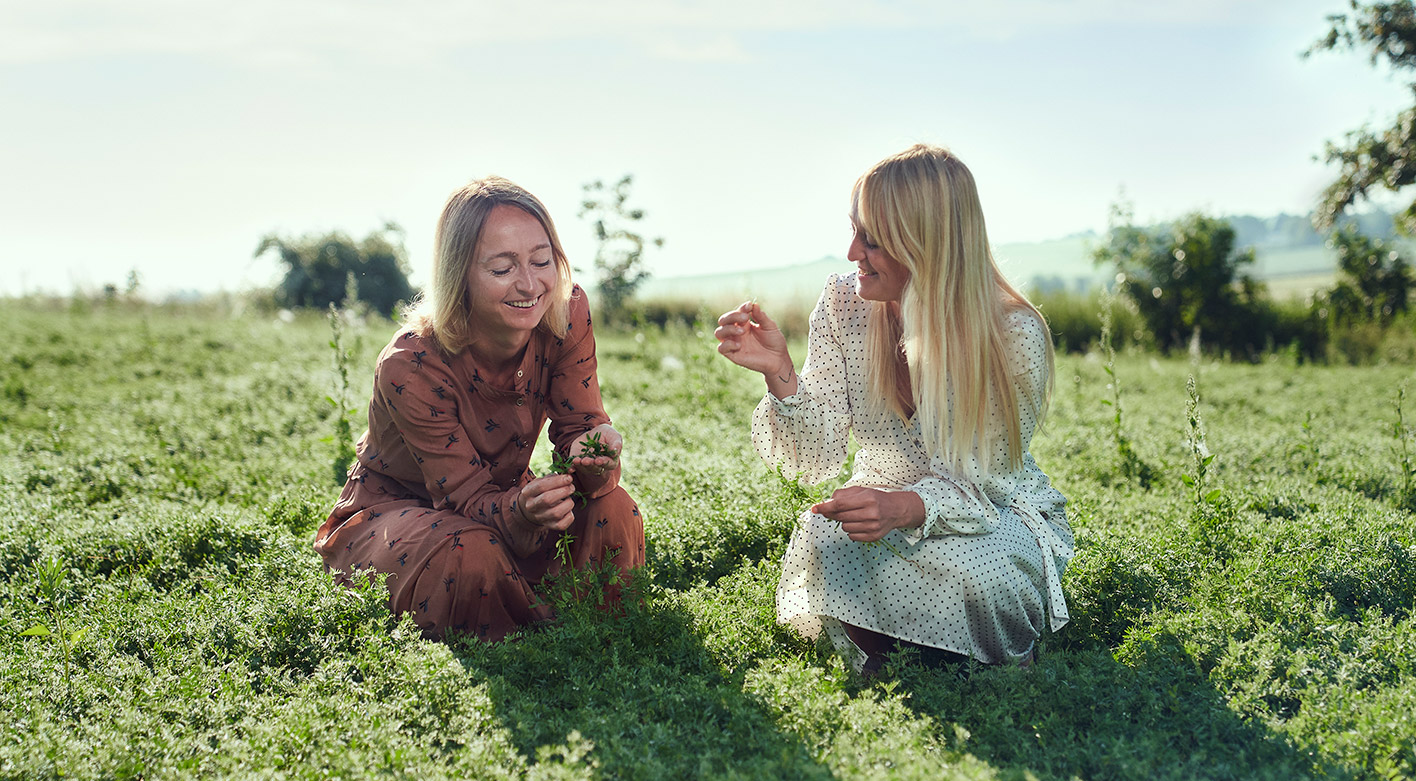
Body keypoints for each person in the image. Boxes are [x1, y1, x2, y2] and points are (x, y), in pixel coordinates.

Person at [714, 144, 1073, 675]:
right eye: (855, 230)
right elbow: (816, 456)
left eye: (873, 240)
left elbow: (987, 486)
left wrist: (904, 508)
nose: (853, 251)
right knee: (824, 539)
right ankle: (917, 666)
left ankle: (937, 663)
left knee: (979, 574)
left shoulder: (1012, 335)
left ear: (926, 245)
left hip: (986, 516)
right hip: (880, 505)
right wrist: (780, 375)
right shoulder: (843, 302)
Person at [314, 176, 644, 641]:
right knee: (471, 554)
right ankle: (536, 628)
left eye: (541, 261)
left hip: (506, 499)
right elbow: (463, 499)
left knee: (614, 510)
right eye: (502, 268)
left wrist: (596, 456)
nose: (530, 285)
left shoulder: (566, 312)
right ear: (460, 274)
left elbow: (581, 425)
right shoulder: (410, 364)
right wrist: (524, 514)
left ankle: (579, 631)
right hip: (402, 512)